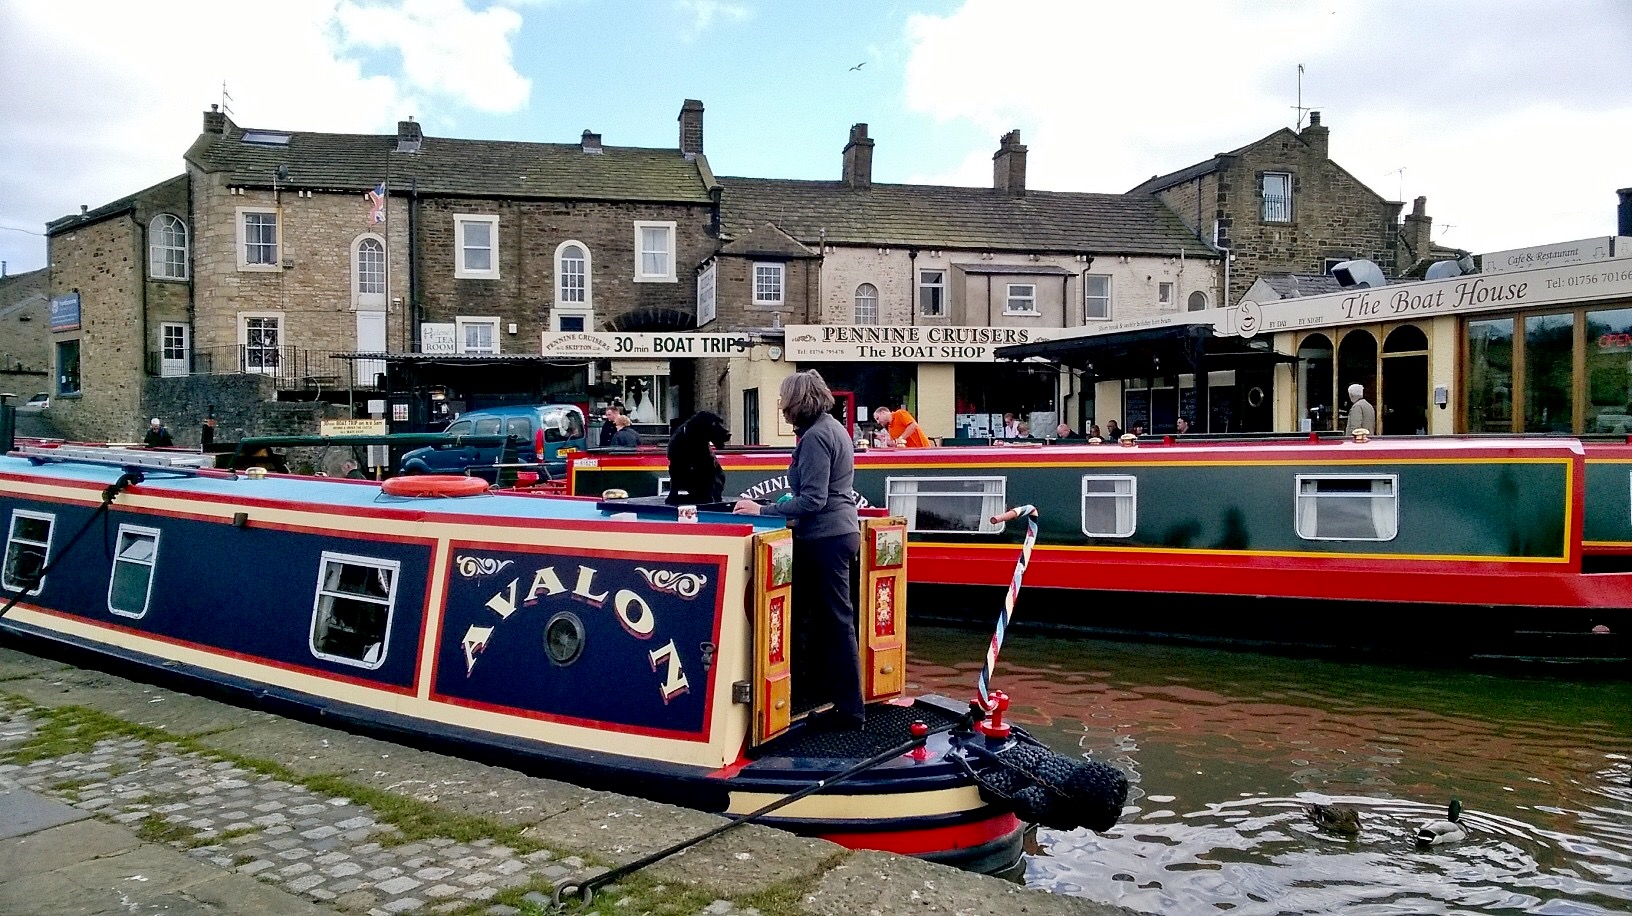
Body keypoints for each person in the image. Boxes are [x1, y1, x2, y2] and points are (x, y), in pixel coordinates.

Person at [733, 370, 863, 731]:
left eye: (784, 400)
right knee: (816, 619)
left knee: (836, 623)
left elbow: (814, 501)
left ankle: (850, 710)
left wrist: (762, 511)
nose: (782, 407)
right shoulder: (832, 427)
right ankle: (815, 696)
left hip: (825, 537)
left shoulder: (816, 438)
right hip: (837, 533)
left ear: (796, 402)